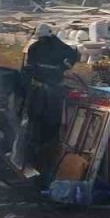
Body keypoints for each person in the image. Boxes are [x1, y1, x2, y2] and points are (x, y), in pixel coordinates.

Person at [20, 24, 79, 174]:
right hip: (46, 90)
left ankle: (41, 161)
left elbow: (73, 55)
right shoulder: (42, 46)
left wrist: (65, 66)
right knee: (41, 125)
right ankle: (39, 160)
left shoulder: (47, 47)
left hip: (48, 91)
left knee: (44, 126)